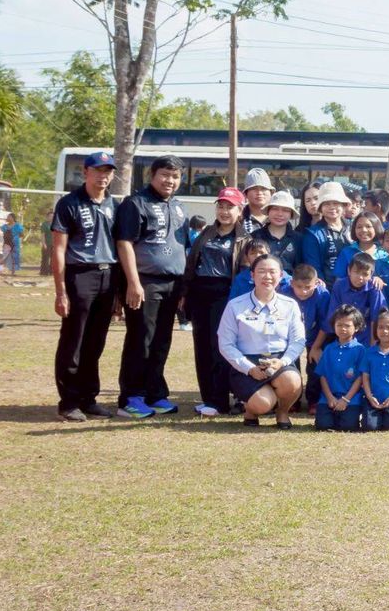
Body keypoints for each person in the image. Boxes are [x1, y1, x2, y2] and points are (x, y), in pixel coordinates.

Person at [113, 154, 187, 418]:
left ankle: (155, 394)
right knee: (141, 339)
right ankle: (131, 398)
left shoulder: (178, 206)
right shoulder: (135, 203)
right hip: (144, 281)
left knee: (161, 341)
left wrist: (183, 288)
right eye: (164, 175)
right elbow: (124, 243)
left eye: (175, 176)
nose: (170, 181)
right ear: (152, 175)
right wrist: (133, 283)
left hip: (172, 283)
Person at [47, 152, 119, 421]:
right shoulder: (70, 203)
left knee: (95, 342)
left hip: (108, 275)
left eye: (108, 171)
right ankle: (68, 401)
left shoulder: (114, 204)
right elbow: (58, 249)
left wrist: (119, 290)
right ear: (85, 172)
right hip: (80, 274)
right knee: (73, 340)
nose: (103, 176)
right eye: (98, 170)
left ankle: (89, 399)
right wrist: (61, 292)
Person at [216, 254, 306, 427]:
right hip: (246, 362)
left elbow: (298, 340)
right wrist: (249, 368)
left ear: (281, 276)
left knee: (292, 381)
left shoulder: (290, 305)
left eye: (272, 272)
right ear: (252, 275)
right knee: (263, 403)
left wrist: (282, 362)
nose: (267, 276)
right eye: (262, 271)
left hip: (278, 361)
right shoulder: (235, 305)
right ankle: (251, 411)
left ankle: (282, 413)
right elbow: (226, 344)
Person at [183, 187, 245, 417]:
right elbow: (192, 263)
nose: (224, 211)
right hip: (200, 294)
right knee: (202, 347)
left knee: (220, 347)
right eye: (221, 206)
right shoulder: (206, 233)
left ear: (240, 210)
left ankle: (221, 399)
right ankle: (208, 398)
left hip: (226, 296)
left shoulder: (244, 239)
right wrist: (185, 293)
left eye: (230, 207)